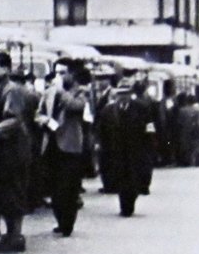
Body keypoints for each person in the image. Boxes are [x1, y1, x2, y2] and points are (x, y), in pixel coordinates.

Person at [0, 54, 33, 252]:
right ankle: (10, 234)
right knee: (5, 192)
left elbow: (14, 118)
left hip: (14, 150)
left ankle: (16, 236)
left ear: (5, 69)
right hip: (5, 150)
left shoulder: (11, 90)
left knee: (14, 191)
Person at [98, 79, 158, 217]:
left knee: (133, 179)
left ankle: (129, 203)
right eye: (120, 94)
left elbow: (150, 127)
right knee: (121, 179)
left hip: (136, 150)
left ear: (130, 94)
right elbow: (101, 131)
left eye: (126, 93)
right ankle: (125, 205)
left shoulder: (142, 108)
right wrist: (102, 146)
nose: (123, 97)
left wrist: (150, 145)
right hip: (116, 151)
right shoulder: (108, 111)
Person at [48, 64, 92, 237]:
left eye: (62, 73)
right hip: (53, 144)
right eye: (57, 72)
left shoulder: (81, 92)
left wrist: (59, 91)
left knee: (69, 188)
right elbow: (42, 110)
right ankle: (60, 220)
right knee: (55, 187)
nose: (59, 76)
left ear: (71, 75)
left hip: (71, 146)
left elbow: (77, 106)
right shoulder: (53, 91)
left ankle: (67, 223)